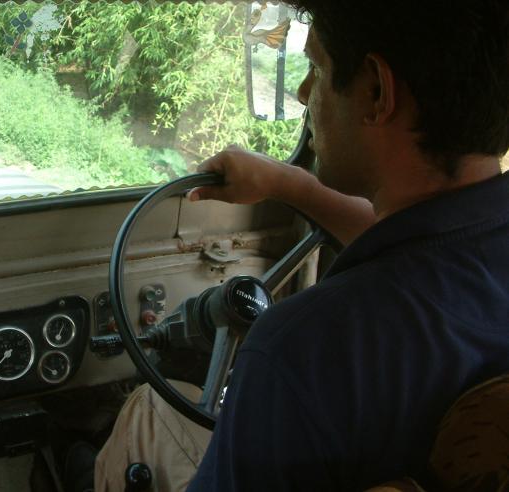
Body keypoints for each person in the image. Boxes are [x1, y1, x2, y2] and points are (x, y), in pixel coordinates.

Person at [90, 0, 509, 490]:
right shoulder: (471, 266)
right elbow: (428, 254)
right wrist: (291, 185)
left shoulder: (301, 350)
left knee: (150, 410)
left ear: (376, 91)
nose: (304, 90)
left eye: (317, 68)